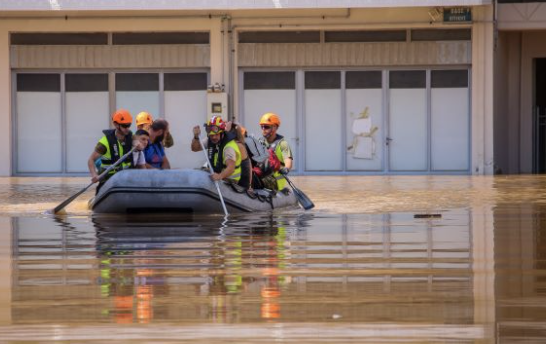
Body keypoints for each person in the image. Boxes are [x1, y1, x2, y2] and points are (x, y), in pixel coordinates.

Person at [87, 109, 134, 193]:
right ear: (116, 124)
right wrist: (94, 175)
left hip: (126, 178)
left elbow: (140, 140)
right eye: (124, 126)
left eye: (129, 125)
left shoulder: (131, 137)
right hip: (108, 179)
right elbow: (91, 160)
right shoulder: (105, 142)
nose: (127, 128)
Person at [191, 116, 242, 184]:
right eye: (211, 135)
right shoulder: (210, 140)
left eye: (216, 134)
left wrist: (219, 176)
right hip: (217, 175)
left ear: (222, 133)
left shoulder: (229, 147)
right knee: (197, 173)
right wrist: (196, 137)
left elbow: (231, 168)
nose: (214, 137)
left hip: (230, 181)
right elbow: (195, 148)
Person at [259, 112, 293, 191]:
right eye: (262, 127)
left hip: (275, 182)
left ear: (274, 127)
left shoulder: (283, 144)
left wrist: (286, 169)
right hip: (262, 177)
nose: (263, 129)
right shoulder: (260, 142)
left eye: (266, 127)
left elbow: (288, 161)